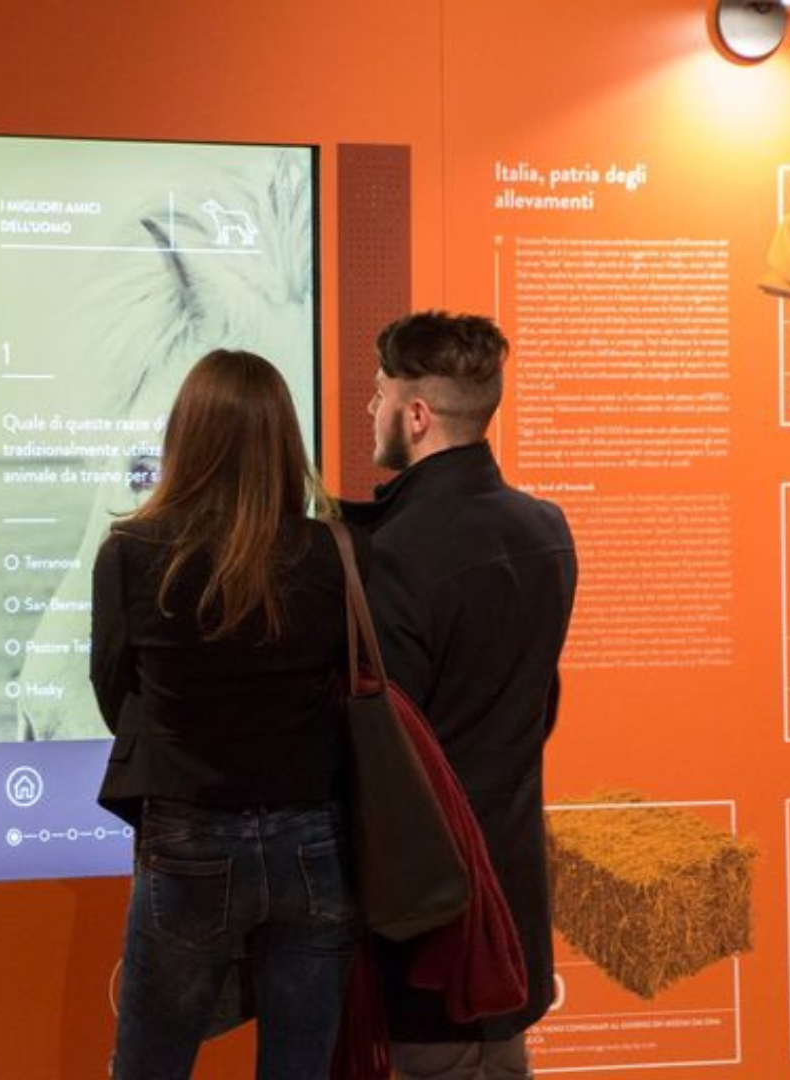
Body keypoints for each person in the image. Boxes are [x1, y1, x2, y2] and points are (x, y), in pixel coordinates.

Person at [91, 349, 359, 1080]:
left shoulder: (131, 551)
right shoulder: (331, 550)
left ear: (186, 437)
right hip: (314, 842)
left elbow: (115, 694)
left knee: (149, 1064)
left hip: (188, 836)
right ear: (284, 443)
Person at [343, 311, 577, 1080]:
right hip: (512, 903)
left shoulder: (391, 554)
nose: (368, 411)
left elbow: (386, 760)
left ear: (415, 415)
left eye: (377, 394)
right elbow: (537, 709)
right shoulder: (547, 532)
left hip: (430, 924)